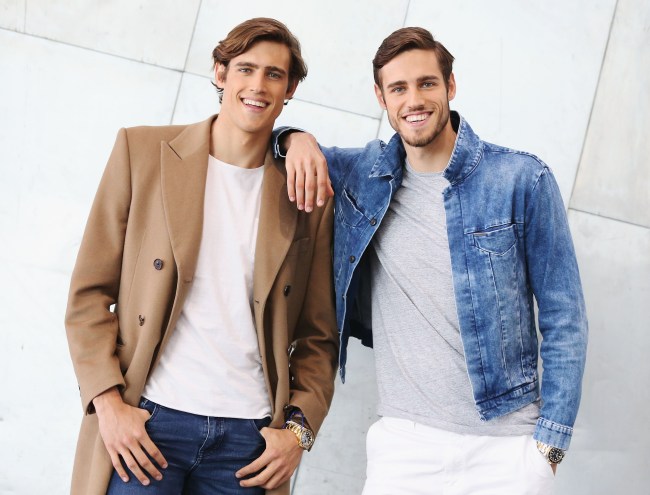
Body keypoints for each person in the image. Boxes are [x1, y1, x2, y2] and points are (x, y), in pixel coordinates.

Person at [277, 26, 588, 494]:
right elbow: (274, 146)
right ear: (381, 97)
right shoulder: (364, 176)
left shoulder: (521, 179)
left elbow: (565, 318)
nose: (414, 100)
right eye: (398, 88)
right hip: (405, 446)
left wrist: (549, 447)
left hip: (506, 449)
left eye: (426, 83)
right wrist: (294, 137)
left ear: (450, 86)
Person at [65, 17, 338, 495]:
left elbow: (319, 335)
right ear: (220, 72)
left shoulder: (304, 191)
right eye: (245, 69)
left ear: (290, 88)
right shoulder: (142, 152)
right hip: (146, 425)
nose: (258, 85)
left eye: (274, 74)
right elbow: (88, 295)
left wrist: (298, 432)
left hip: (249, 443)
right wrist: (108, 405)